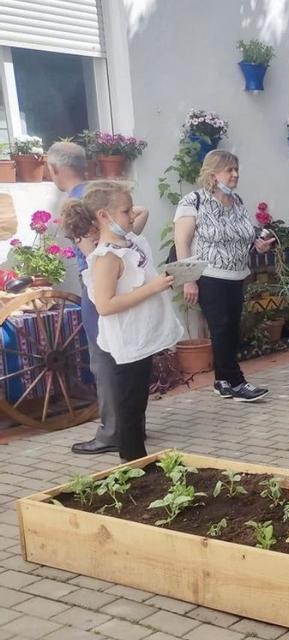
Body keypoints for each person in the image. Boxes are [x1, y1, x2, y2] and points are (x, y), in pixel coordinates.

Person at [62, 182, 182, 461]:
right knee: (129, 409)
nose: (132, 216)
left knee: (137, 404)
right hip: (126, 342)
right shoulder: (105, 257)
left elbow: (141, 212)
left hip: (140, 337)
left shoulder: (129, 243)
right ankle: (133, 463)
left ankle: (138, 461)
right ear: (104, 216)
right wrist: (153, 288)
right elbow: (105, 305)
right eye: (126, 211)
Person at [45, 142, 145, 455]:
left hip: (97, 284)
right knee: (125, 355)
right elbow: (136, 218)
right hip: (122, 279)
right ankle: (131, 425)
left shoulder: (76, 203)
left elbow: (91, 250)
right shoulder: (102, 192)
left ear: (54, 170)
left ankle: (112, 431)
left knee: (104, 359)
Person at [174, 151, 274, 402]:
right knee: (221, 327)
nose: (235, 174)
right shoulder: (193, 201)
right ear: (212, 173)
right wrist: (189, 279)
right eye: (229, 170)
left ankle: (222, 381)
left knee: (230, 328)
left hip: (236, 275)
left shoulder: (236, 201)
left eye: (236, 169)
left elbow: (244, 233)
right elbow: (181, 241)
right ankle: (237, 382)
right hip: (209, 275)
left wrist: (258, 243)